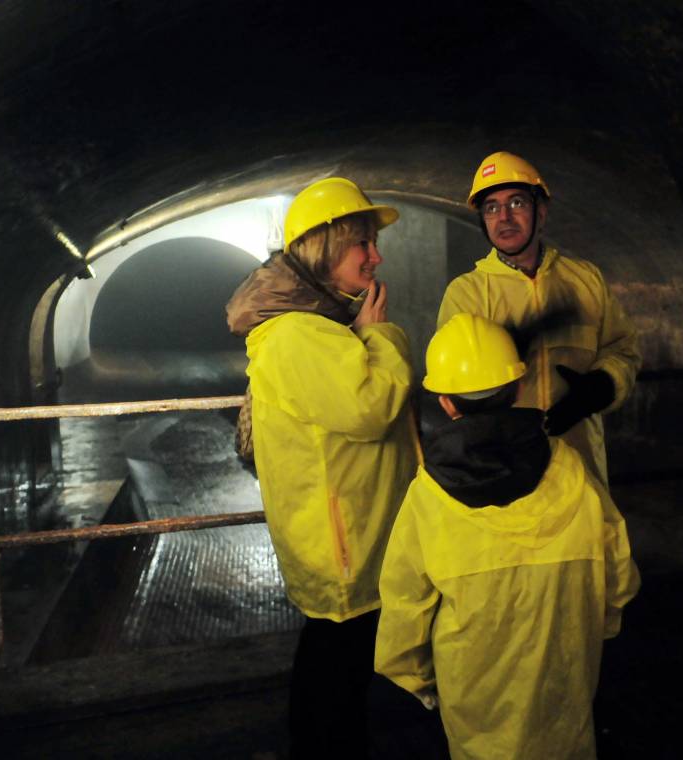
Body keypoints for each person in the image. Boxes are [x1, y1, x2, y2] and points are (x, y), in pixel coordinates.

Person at [375, 312, 641, 760]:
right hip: (566, 687)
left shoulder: (429, 495)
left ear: (445, 403)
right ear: (518, 388)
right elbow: (620, 578)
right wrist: (599, 632)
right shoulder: (572, 470)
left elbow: (405, 609)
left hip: (474, 701)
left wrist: (416, 679)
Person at [225, 177, 418, 757]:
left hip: (346, 532)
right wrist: (381, 337)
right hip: (342, 541)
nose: (375, 255)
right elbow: (371, 405)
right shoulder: (298, 335)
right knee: (333, 674)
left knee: (336, 670)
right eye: (363, 242)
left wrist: (358, 334)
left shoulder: (316, 324)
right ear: (325, 246)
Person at [437, 151, 641, 485]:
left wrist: (602, 386)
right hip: (506, 474)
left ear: (541, 212)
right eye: (491, 208)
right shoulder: (466, 294)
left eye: (516, 203)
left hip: (581, 469)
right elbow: (454, 389)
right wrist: (504, 350)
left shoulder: (586, 280)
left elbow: (624, 349)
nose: (504, 217)